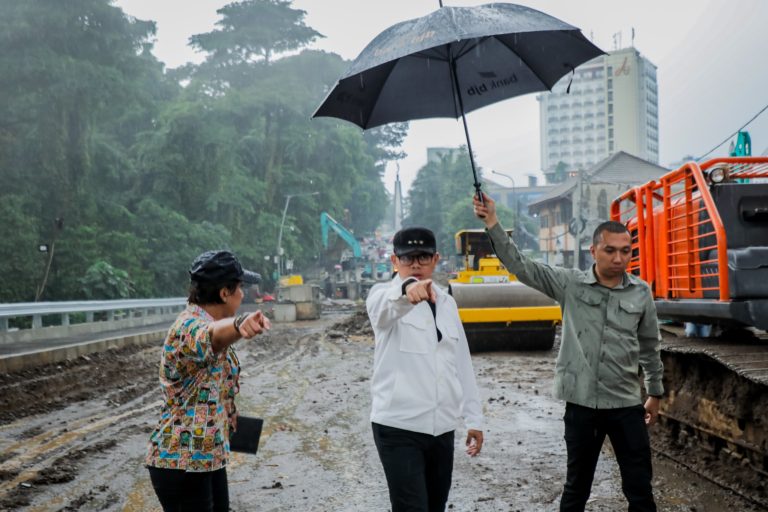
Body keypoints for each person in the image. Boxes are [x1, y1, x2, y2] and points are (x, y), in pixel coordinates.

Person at [473, 193, 663, 512]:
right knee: (576, 489)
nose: (618, 258)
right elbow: (521, 266)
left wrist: (655, 391)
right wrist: (492, 222)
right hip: (582, 405)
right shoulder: (570, 285)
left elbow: (649, 344)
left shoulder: (641, 292)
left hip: (626, 404)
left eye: (625, 251)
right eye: (610, 250)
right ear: (594, 251)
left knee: (640, 490)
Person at [365, 226, 484, 512]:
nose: (416, 264)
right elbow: (385, 311)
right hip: (398, 426)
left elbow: (461, 363)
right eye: (408, 258)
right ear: (395, 262)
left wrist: (474, 418)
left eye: (423, 257)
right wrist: (407, 291)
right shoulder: (382, 296)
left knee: (435, 506)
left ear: (436, 259)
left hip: (442, 427)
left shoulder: (447, 303)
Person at [145, 250, 271, 512]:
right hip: (182, 460)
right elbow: (208, 337)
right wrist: (239, 324)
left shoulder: (208, 322)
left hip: (208, 456)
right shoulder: (187, 327)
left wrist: (230, 415)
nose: (243, 294)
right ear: (224, 292)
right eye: (240, 287)